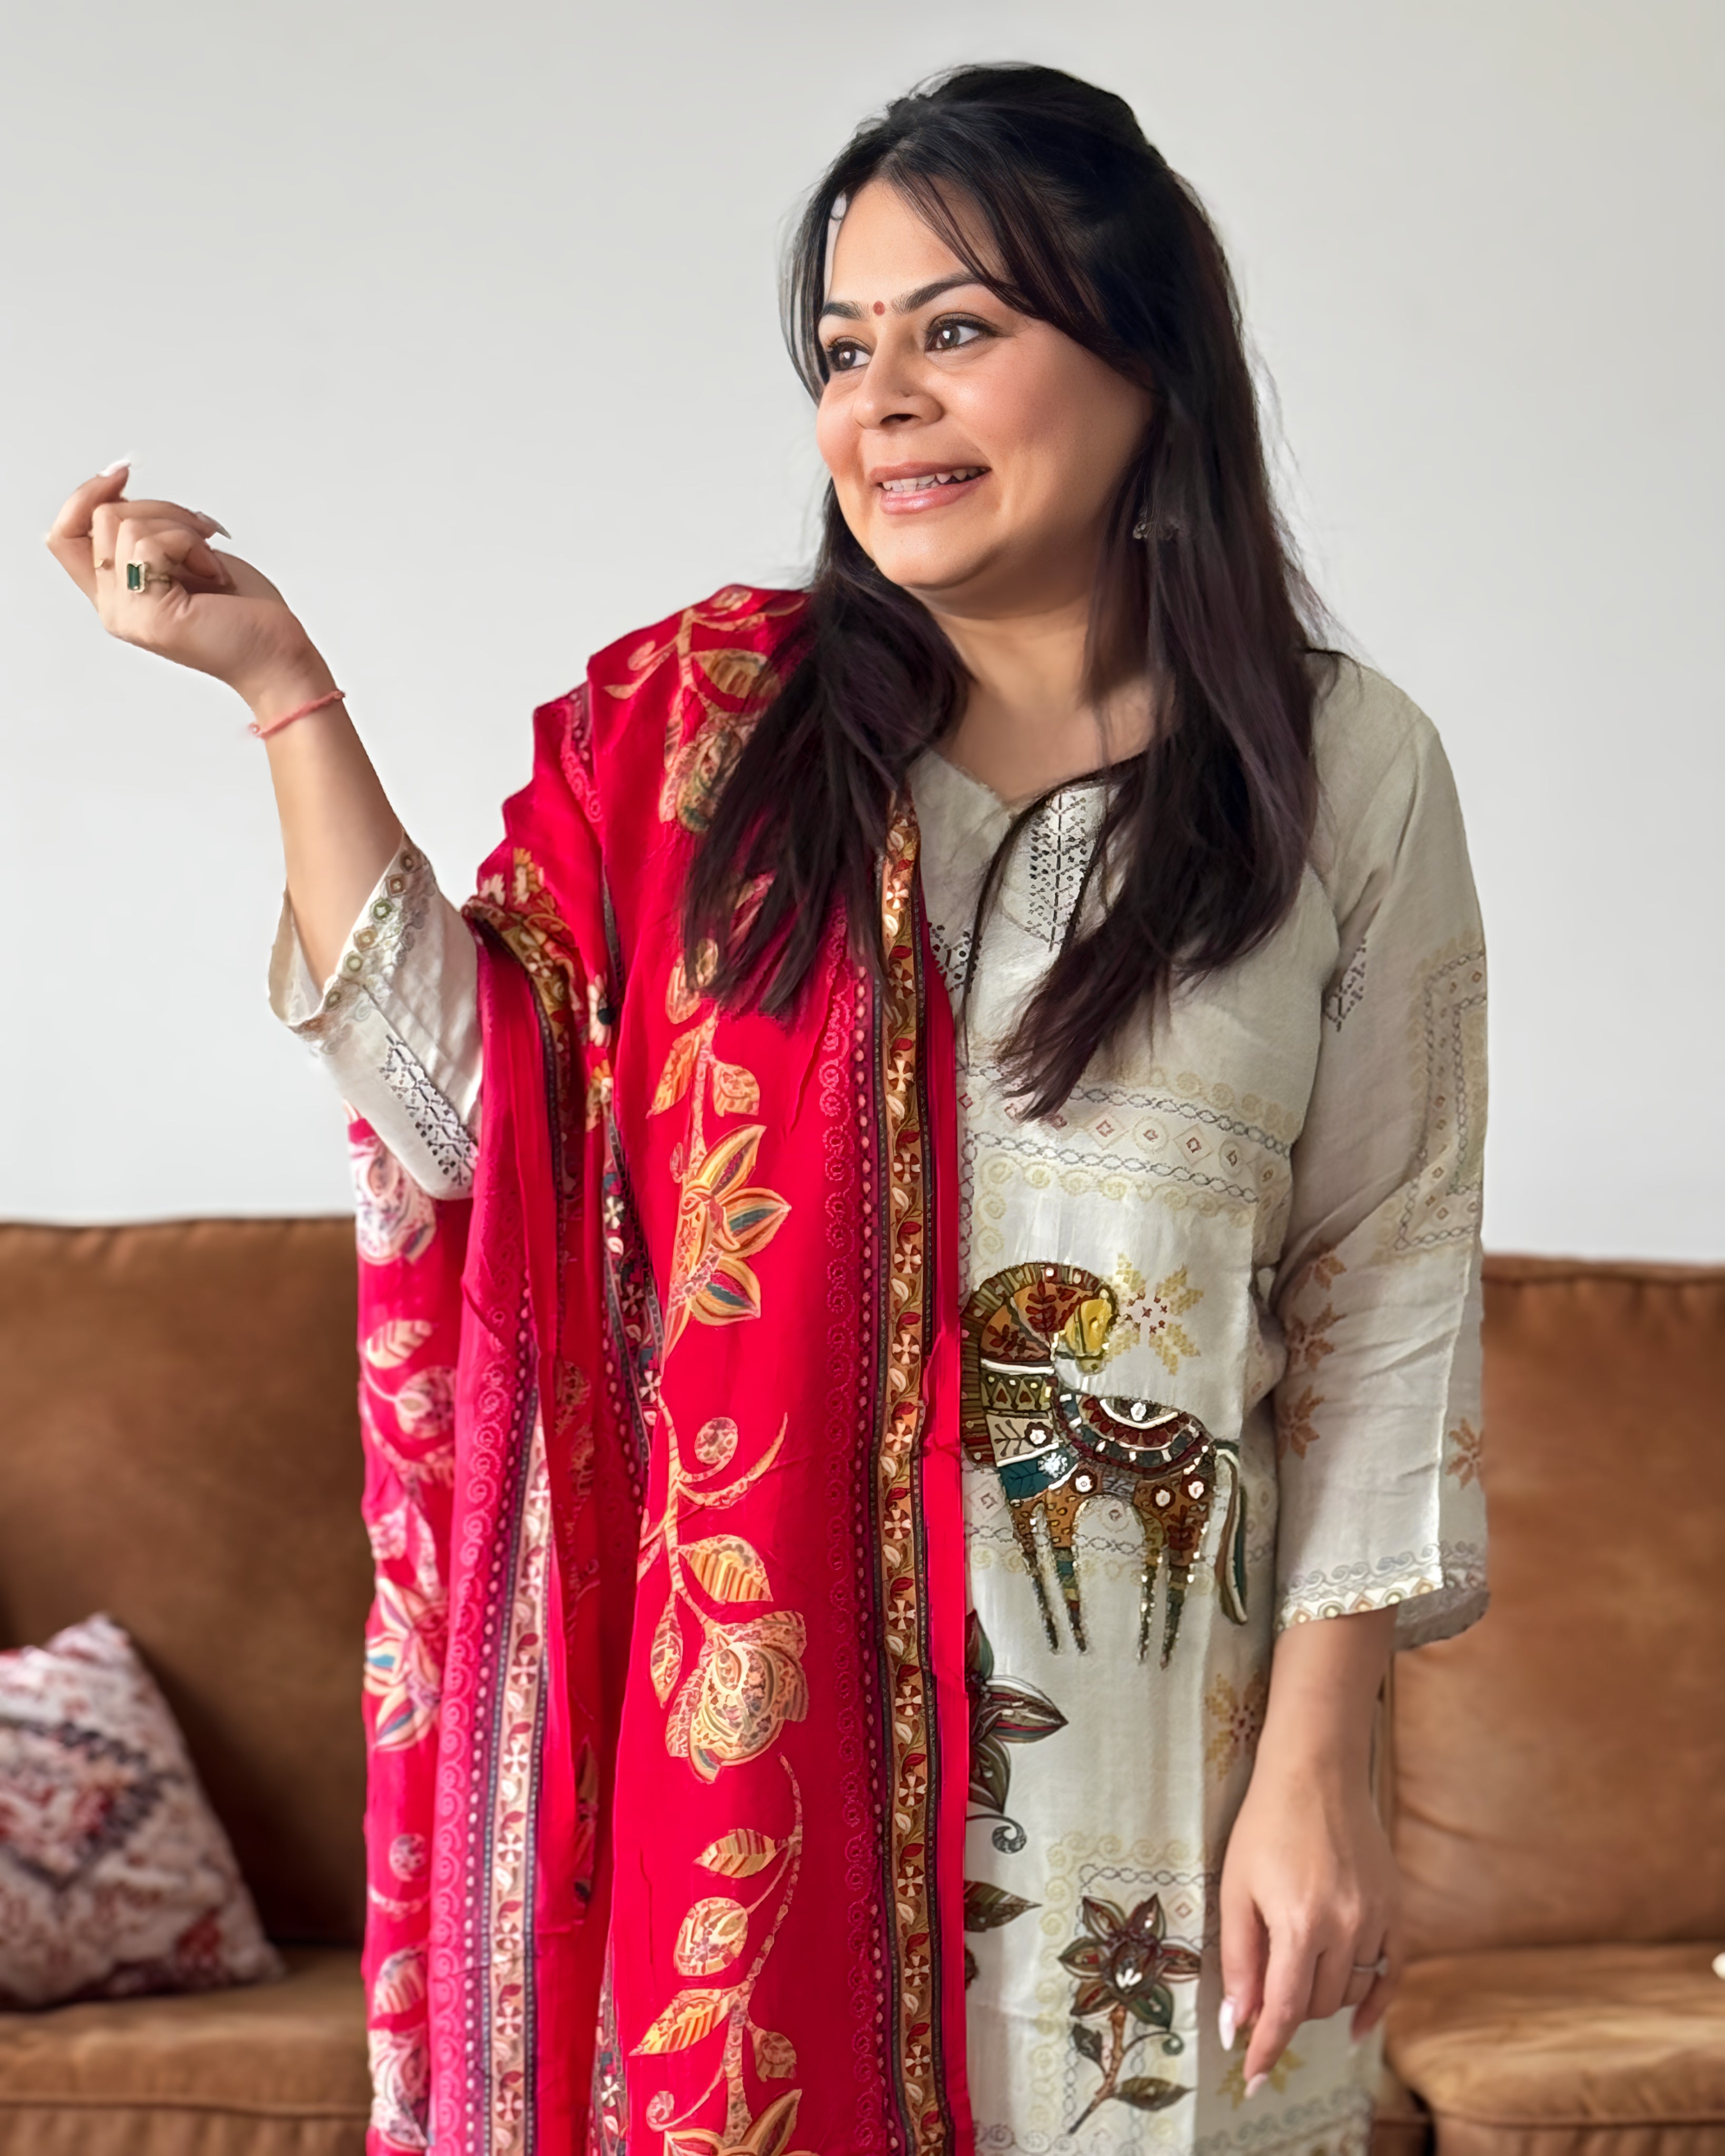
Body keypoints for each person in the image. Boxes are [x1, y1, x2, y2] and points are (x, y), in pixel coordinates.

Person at [47, 62, 1487, 2156]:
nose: (882, 400)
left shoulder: (1341, 772)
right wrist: (284, 692)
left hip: (1174, 1802)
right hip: (762, 1796)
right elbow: (467, 1125)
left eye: (956, 329)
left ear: (1147, 353)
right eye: (843, 347)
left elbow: (1387, 1282)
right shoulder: (711, 747)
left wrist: (1320, 1773)